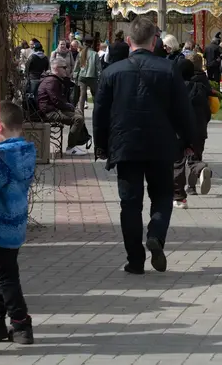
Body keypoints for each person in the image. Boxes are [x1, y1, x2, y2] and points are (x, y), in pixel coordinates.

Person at [92, 18, 196, 275]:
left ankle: (135, 260)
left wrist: (102, 146)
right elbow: (183, 110)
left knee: (130, 203)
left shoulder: (111, 73)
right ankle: (156, 236)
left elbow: (100, 114)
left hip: (125, 146)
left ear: (129, 41)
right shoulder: (169, 70)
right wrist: (188, 142)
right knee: (161, 195)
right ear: (154, 42)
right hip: (160, 145)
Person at [0, 102, 37, 346]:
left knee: (6, 275)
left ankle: (21, 322)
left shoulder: (1, 157)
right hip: (16, 223)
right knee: (1, 273)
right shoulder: (26, 152)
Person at [173, 58, 214, 209]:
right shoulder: (200, 88)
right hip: (199, 130)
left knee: (177, 163)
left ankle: (179, 197)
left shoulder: (175, 89)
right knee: (194, 158)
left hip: (179, 131)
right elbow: (207, 112)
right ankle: (199, 171)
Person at [38, 57, 91, 155]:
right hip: (48, 112)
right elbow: (57, 101)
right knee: (78, 118)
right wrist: (70, 107)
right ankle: (71, 148)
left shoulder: (53, 79)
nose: (67, 69)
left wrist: (71, 107)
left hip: (52, 109)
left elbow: (59, 100)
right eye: (64, 67)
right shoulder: (51, 81)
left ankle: (75, 144)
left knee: (78, 113)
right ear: (57, 68)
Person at [74, 37, 101, 116]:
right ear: (92, 44)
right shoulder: (95, 54)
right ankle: (96, 114)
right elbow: (98, 68)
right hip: (92, 77)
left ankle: (80, 114)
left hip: (82, 77)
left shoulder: (80, 53)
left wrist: (75, 77)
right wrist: (99, 78)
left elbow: (76, 67)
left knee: (82, 96)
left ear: (83, 43)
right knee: (95, 96)